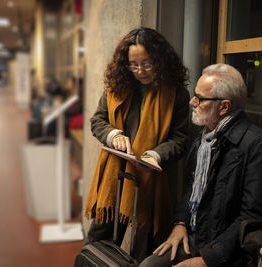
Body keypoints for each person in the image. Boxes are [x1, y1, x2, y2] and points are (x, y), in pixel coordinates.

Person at [139, 63, 262, 267]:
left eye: (200, 98)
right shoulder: (204, 139)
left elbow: (253, 217)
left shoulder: (260, 146)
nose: (191, 102)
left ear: (224, 107)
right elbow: (193, 187)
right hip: (196, 237)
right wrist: (180, 223)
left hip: (228, 252)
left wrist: (208, 259)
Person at [85, 27, 190, 261]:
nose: (140, 71)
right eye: (133, 64)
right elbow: (97, 121)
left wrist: (156, 154)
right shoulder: (118, 86)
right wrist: (113, 135)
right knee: (97, 244)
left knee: (144, 250)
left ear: (160, 60)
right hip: (115, 178)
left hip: (150, 180)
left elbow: (181, 139)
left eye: (147, 63)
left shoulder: (177, 94)